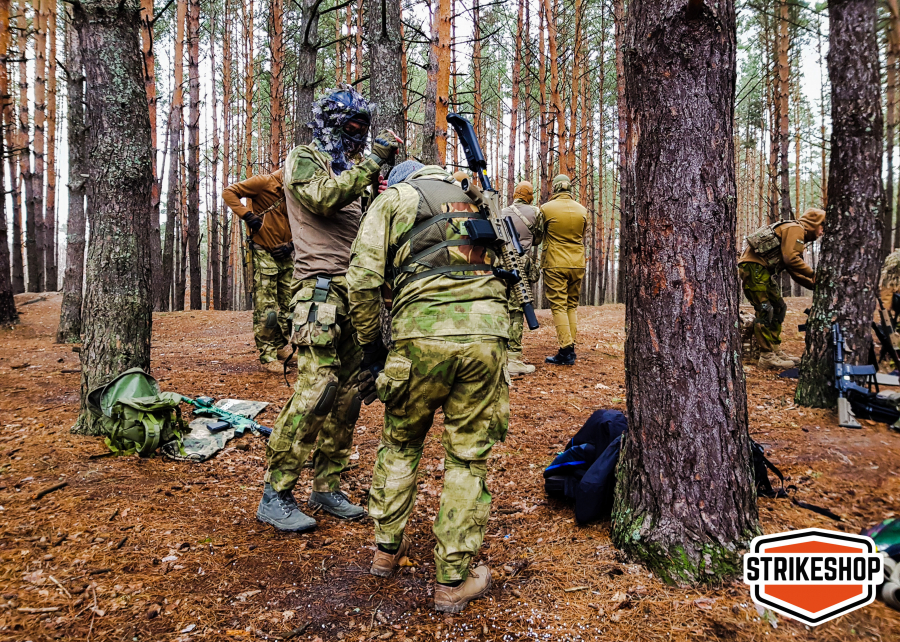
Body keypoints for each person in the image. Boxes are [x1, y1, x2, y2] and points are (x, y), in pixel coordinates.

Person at [348, 160, 509, 614]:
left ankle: (386, 550)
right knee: (467, 458)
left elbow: (361, 280)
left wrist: (372, 348)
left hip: (419, 338)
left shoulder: (395, 199)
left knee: (400, 444)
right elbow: (517, 268)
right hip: (486, 337)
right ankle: (452, 581)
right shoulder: (482, 201)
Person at [256, 85, 400, 532]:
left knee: (350, 393)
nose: (358, 136)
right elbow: (321, 198)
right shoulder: (304, 158)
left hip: (355, 292)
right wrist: (372, 165)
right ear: (332, 125)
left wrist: (379, 190)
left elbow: (366, 231)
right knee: (317, 388)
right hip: (318, 292)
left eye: (363, 128)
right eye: (351, 127)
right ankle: (276, 492)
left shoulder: (353, 173)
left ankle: (326, 486)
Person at [222, 169, 294, 373]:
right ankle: (268, 355)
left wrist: (291, 245)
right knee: (267, 310)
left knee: (291, 306)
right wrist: (247, 215)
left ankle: (279, 347)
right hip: (263, 252)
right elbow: (229, 192)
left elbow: (300, 223)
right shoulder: (264, 182)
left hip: (285, 254)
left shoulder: (295, 190)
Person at [739, 208, 825, 370]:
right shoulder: (796, 228)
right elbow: (791, 259)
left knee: (779, 307)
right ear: (814, 223)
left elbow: (793, 270)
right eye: (822, 226)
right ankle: (766, 356)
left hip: (761, 270)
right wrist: (814, 274)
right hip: (753, 268)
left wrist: (814, 285)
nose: (822, 232)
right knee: (765, 309)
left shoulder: (797, 233)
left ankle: (774, 349)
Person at [537, 174, 588, 366]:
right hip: (577, 262)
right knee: (571, 305)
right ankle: (570, 348)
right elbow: (582, 234)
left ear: (555, 188)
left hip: (555, 262)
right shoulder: (582, 210)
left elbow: (539, 234)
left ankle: (566, 351)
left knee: (559, 305)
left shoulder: (546, 209)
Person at [502, 181, 542, 376]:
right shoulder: (536, 212)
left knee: (501, 306)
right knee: (518, 308)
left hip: (501, 263)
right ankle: (514, 359)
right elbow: (539, 238)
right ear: (530, 196)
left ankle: (499, 355)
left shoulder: (502, 212)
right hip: (520, 262)